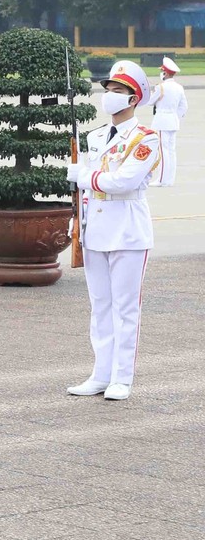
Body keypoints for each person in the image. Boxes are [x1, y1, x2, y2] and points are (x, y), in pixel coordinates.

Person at [66, 64, 162, 402]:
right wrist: (77, 221)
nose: (110, 95)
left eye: (118, 90)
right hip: (95, 230)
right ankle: (100, 374)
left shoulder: (146, 139)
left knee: (125, 308)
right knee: (100, 306)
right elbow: (90, 190)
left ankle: (122, 378)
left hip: (127, 231)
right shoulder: (93, 137)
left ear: (134, 98)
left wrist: (83, 176)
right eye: (108, 88)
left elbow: (123, 182)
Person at [148, 56, 185, 187]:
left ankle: (162, 180)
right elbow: (183, 107)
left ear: (166, 73)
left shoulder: (161, 87)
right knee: (171, 151)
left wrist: (152, 92)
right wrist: (174, 116)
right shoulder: (179, 87)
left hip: (162, 121)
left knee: (163, 152)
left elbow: (150, 102)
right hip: (173, 121)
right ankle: (169, 180)